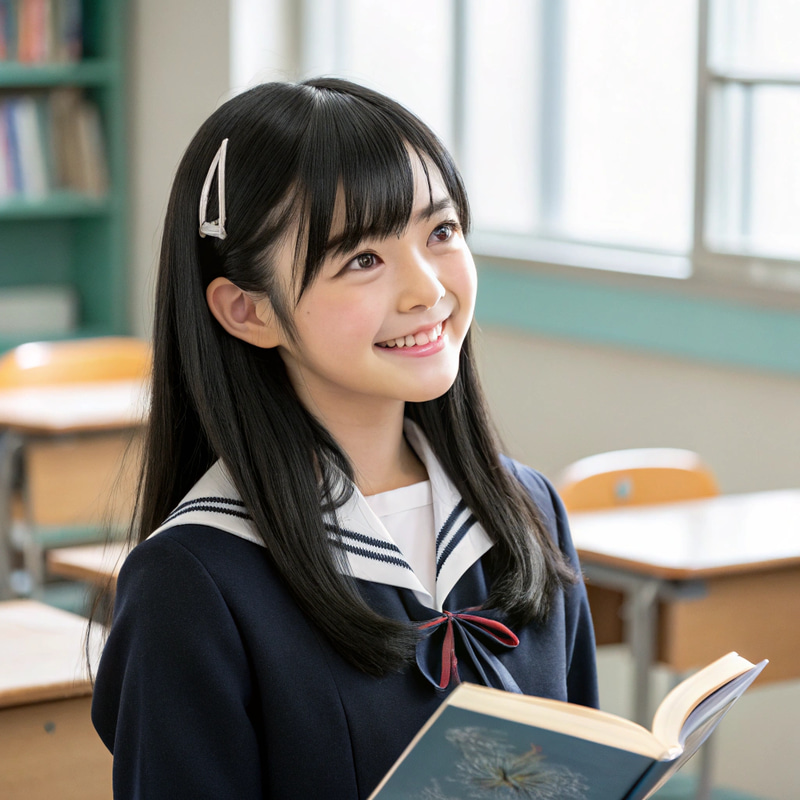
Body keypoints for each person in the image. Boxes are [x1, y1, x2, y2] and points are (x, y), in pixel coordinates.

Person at [91, 77, 598, 799]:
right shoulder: (194, 581)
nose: (427, 290)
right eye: (363, 259)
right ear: (248, 310)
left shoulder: (527, 507)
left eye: (440, 232)